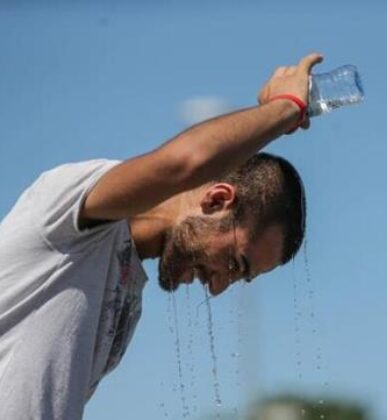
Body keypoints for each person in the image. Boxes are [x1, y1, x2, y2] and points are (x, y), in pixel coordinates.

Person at [0, 52, 324, 419]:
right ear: (217, 201)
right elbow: (184, 163)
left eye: (239, 278)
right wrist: (288, 108)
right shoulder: (68, 209)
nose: (217, 288)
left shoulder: (127, 302)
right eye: (234, 263)